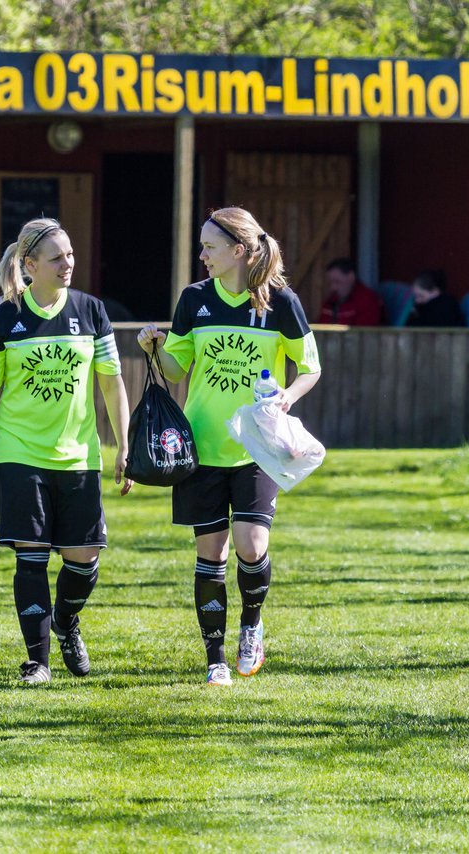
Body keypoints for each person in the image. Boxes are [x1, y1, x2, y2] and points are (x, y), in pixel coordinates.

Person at [136, 206, 322, 686]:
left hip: (258, 447)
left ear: (238, 250)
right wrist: (155, 346)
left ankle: (251, 625)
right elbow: (176, 371)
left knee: (251, 543)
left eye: (209, 247)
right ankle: (215, 657)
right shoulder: (193, 300)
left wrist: (288, 395)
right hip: (200, 447)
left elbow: (311, 367)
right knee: (211, 553)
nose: (202, 256)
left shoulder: (281, 302)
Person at [0, 218, 132, 686]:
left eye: (71, 254)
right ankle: (38, 662)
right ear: (29, 265)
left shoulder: (91, 311)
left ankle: (66, 621)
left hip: (79, 457)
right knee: (31, 558)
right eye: (57, 257)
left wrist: (124, 446)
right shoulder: (5, 318)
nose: (68, 263)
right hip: (19, 455)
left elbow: (112, 385)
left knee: (83, 559)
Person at [317, 257, 382, 326]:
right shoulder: (331, 300)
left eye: (337, 282)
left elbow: (364, 333)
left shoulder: (367, 300)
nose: (333, 288)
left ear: (351, 277)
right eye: (330, 283)